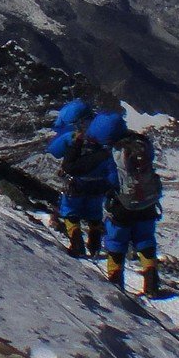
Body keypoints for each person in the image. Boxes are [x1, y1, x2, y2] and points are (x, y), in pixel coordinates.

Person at [47, 98, 124, 257]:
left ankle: (76, 243)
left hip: (77, 182)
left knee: (70, 211)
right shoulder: (107, 137)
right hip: (100, 186)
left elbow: (54, 150)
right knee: (94, 212)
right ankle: (94, 242)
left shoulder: (73, 136)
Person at [102, 125, 164, 296]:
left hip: (122, 207)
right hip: (147, 204)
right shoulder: (143, 148)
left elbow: (111, 179)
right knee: (145, 239)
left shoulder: (115, 153)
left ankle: (115, 284)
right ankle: (151, 282)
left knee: (116, 242)